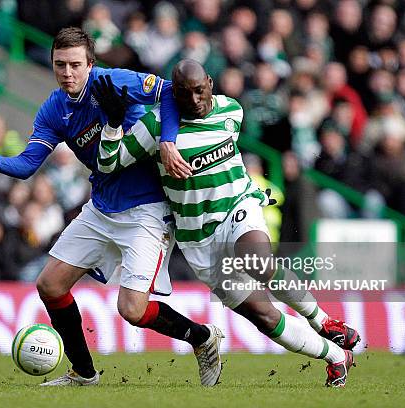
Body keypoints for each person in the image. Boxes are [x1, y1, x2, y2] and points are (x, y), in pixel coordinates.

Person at [0, 27, 222, 387]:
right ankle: (84, 373)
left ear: (90, 65)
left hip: (146, 209)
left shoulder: (115, 82)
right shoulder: (54, 110)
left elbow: (168, 91)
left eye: (74, 65)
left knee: (131, 309)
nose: (66, 73)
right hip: (101, 207)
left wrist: (168, 141)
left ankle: (201, 337)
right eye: (59, 65)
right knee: (50, 285)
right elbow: (27, 166)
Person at [95, 59, 359, 387]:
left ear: (210, 83)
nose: (194, 100)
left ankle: (322, 321)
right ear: (172, 94)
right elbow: (109, 164)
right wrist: (112, 124)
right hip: (198, 240)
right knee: (264, 316)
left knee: (258, 261)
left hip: (239, 207)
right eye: (184, 93)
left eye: (199, 90)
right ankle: (336, 357)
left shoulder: (231, 111)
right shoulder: (154, 128)